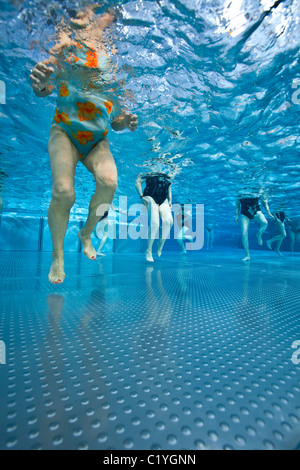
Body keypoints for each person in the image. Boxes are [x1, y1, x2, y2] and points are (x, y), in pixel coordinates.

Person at [29, 5, 138, 284]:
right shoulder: (65, 44)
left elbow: (115, 120)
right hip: (64, 129)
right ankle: (58, 255)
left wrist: (123, 123)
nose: (103, 20)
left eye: (108, 17)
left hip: (97, 140)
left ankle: (86, 233)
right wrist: (40, 85)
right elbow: (45, 88)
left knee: (110, 182)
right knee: (64, 191)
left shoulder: (116, 63)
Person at [135, 172, 173, 262]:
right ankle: (148, 250)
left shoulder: (167, 173)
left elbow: (169, 187)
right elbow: (137, 182)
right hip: (150, 196)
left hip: (163, 198)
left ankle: (160, 243)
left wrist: (170, 199)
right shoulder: (150, 172)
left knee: (169, 221)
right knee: (155, 224)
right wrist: (141, 196)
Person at [235, 193, 274, 261]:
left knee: (265, 223)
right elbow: (237, 205)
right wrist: (237, 216)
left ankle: (259, 234)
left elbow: (264, 201)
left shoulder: (257, 191)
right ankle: (247, 255)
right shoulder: (240, 193)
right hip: (244, 213)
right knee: (244, 234)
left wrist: (268, 212)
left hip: (256, 211)